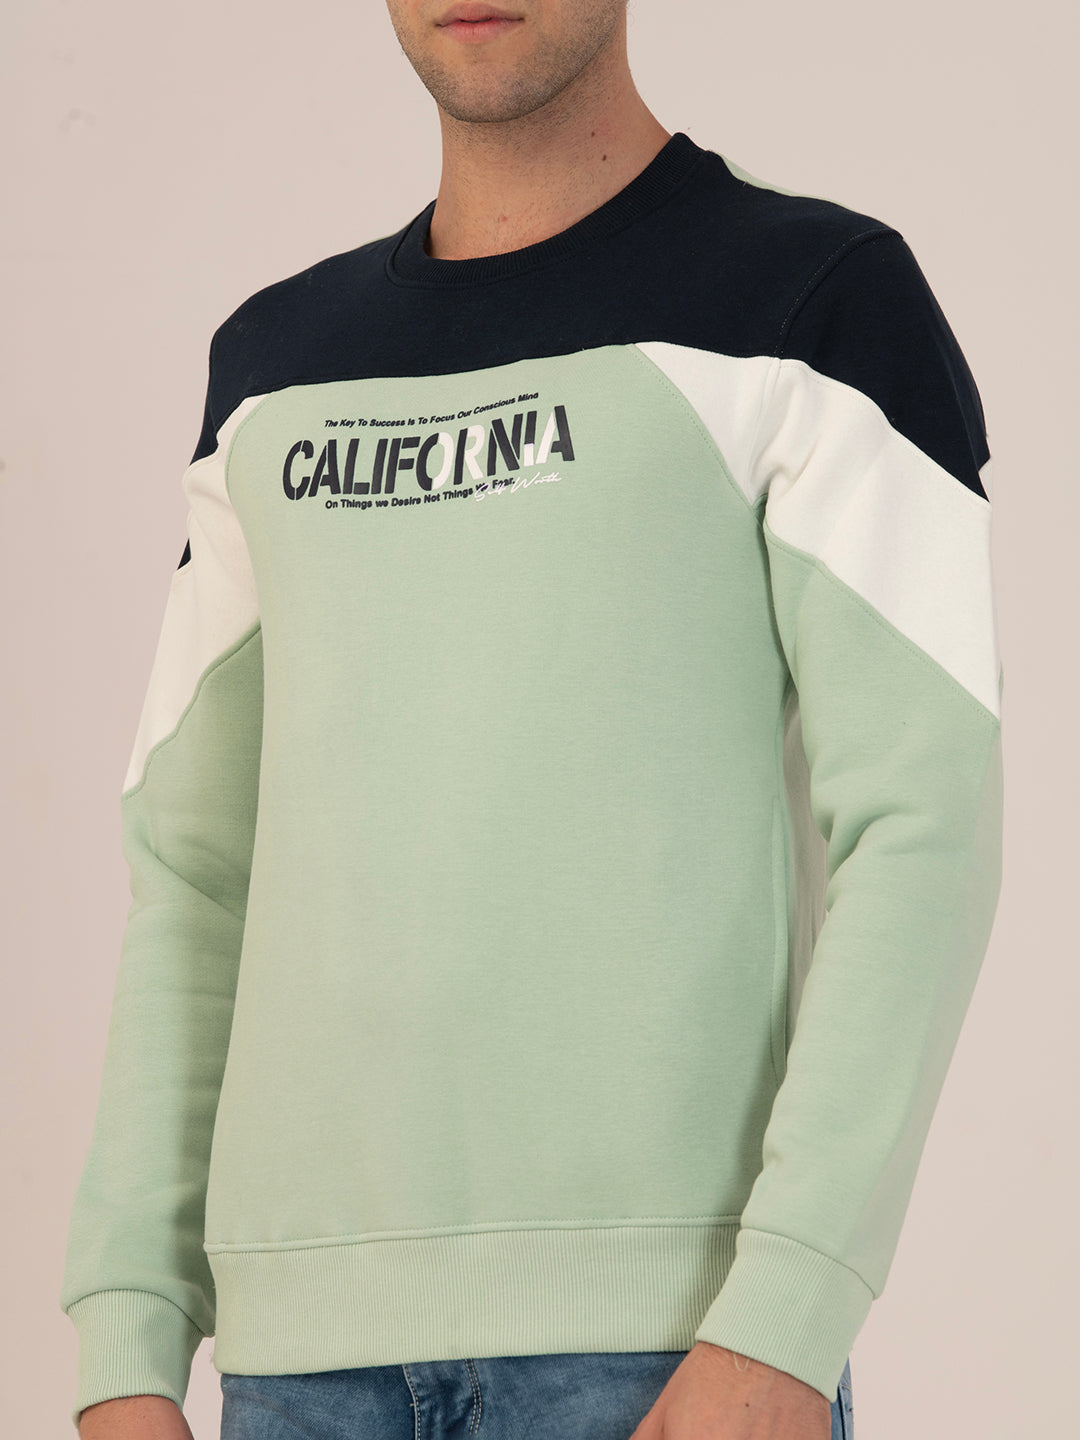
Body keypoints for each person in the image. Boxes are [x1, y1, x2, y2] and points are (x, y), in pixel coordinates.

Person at [60, 2, 1003, 1437]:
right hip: (294, 1373)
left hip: (660, 1356)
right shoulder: (274, 366)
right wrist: (125, 1346)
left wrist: (787, 1321)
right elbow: (194, 871)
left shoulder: (816, 300)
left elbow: (924, 825)